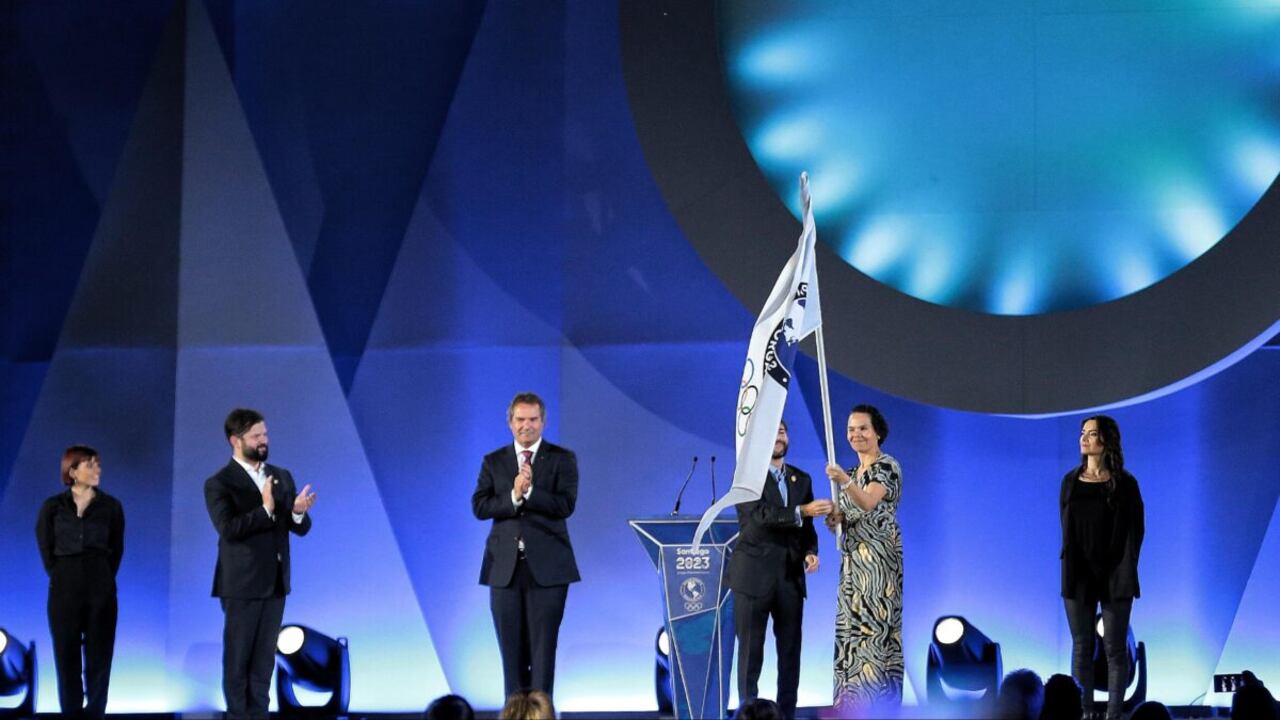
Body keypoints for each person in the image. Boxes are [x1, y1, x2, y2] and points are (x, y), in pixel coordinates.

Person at [204, 408, 316, 719]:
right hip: (241, 584)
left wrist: (296, 511)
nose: (263, 440)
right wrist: (265, 509)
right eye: (256, 436)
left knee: (264, 661)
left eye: (265, 434)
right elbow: (229, 529)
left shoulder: (281, 476)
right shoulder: (219, 483)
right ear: (235, 441)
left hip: (276, 582)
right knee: (239, 660)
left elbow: (300, 528)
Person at [473, 392, 579, 699]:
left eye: (533, 419)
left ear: (543, 422)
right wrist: (513, 496)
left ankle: (541, 714)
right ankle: (515, 713)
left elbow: (566, 504)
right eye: (520, 419)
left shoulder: (562, 459)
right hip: (504, 570)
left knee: (543, 653)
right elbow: (480, 506)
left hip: (548, 571)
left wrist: (531, 492)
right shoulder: (494, 462)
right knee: (511, 654)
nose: (526, 426)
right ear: (510, 423)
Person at [727, 421, 830, 719]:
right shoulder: (746, 477)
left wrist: (811, 552)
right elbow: (759, 518)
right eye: (770, 432)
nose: (778, 437)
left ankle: (786, 715)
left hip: (789, 579)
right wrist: (801, 511)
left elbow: (807, 529)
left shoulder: (802, 479)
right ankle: (748, 715)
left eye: (782, 431)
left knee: (789, 656)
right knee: (750, 656)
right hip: (752, 578)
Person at [1059, 415, 1143, 720]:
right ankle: (1083, 711)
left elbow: (1137, 530)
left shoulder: (1126, 484)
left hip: (1115, 575)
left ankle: (1112, 714)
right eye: (1082, 433)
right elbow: (1067, 528)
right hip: (1078, 574)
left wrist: (1125, 567)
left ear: (1105, 441)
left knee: (1115, 650)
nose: (1084, 438)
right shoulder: (1070, 481)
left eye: (1091, 434)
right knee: (1081, 646)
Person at [35, 445, 124, 719]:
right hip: (65, 585)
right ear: (72, 471)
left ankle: (96, 712)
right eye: (90, 465)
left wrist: (102, 576)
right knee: (66, 655)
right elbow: (45, 546)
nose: (97, 470)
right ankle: (71, 713)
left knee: (100, 657)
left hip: (100, 585)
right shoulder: (53, 507)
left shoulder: (111, 506)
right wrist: (62, 573)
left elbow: (116, 548)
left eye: (97, 464)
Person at [825, 404, 904, 712]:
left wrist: (845, 481)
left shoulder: (886, 466)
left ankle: (876, 707)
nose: (855, 434)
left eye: (862, 428)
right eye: (850, 429)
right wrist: (833, 520)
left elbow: (869, 502)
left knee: (874, 632)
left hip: (879, 563)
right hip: (854, 562)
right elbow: (848, 517)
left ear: (877, 433)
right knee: (851, 632)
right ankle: (849, 708)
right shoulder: (854, 472)